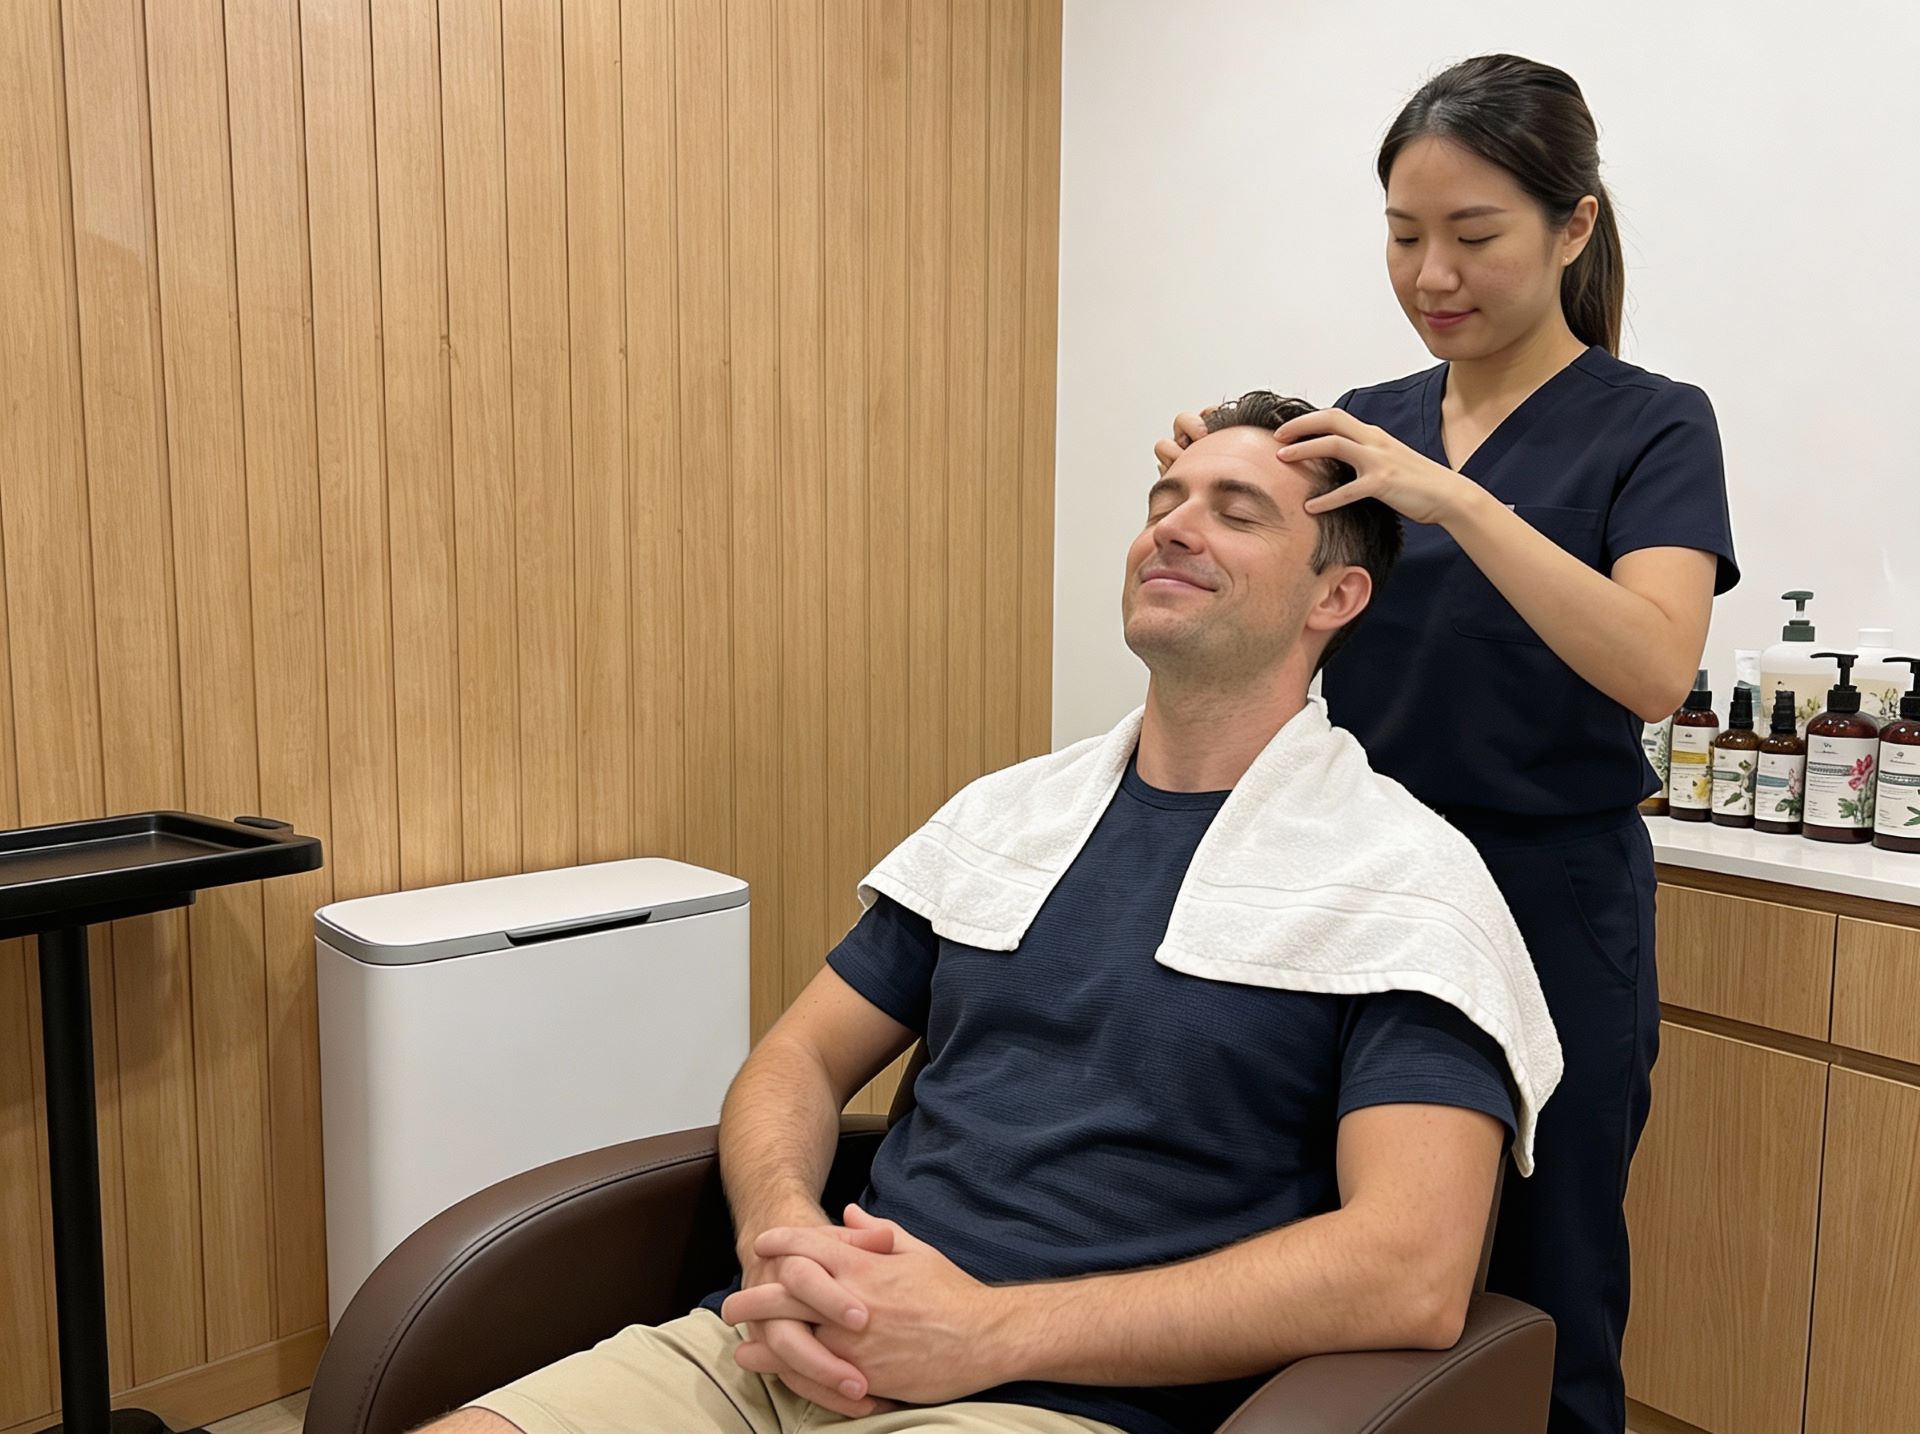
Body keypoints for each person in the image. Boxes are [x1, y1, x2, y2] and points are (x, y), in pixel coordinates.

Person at [417, 393, 1562, 1434]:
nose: (1173, 527)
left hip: (1057, 1402)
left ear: (1335, 597)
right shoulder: (1009, 819)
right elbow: (797, 1060)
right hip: (783, 1347)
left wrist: (988, 1333)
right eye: (1163, 500)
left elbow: (1410, 1269)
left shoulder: (1402, 880)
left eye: (1236, 511)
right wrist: (786, 1237)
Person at [1155, 56, 1739, 1434]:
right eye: (1404, 235)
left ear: (1573, 226)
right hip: (1354, 889)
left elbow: (1654, 666)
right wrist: (1208, 493)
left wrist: (1456, 502)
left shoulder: (1653, 423)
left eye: (1473, 235)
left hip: (1550, 903)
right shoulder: (1360, 424)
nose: (1432, 275)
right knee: (1328, 1251)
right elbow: (1272, 625)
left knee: (1548, 1273)